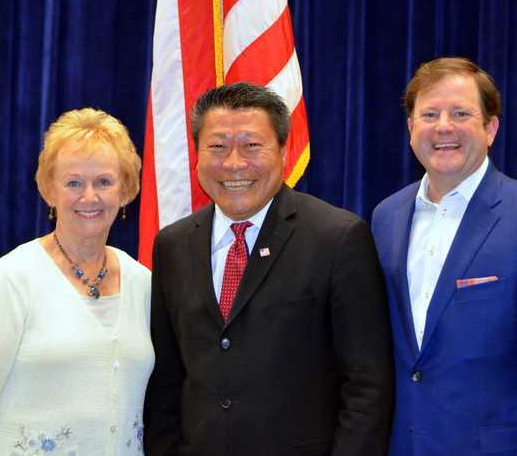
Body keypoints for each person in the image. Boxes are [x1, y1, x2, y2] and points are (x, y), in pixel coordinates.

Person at [144, 82, 394, 456]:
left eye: (251, 145)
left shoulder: (337, 238)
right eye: (217, 146)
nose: (233, 163)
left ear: (283, 151)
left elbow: (367, 385)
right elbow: (165, 379)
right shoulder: (172, 245)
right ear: (196, 155)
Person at [372, 57, 517, 455]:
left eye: (461, 113)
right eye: (429, 114)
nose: (443, 127)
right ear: (410, 127)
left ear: (490, 128)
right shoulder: (385, 217)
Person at [0, 108, 154, 455]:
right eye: (73, 182)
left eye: (104, 181)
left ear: (126, 190)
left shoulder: (143, 283)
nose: (89, 197)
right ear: (49, 191)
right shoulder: (15, 276)